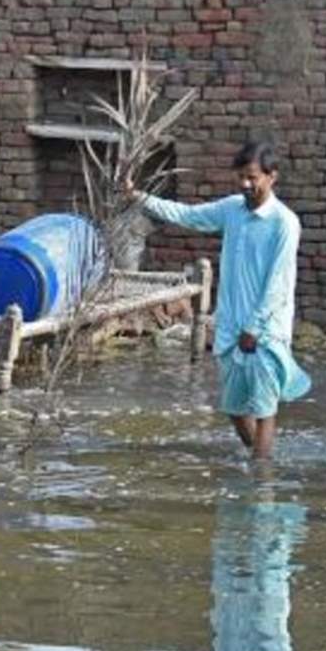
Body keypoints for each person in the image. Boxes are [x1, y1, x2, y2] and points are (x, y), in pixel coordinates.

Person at [130, 140, 311, 458]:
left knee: (264, 407)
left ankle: (261, 480)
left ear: (272, 177)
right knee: (234, 407)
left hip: (266, 331)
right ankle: (260, 467)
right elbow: (187, 215)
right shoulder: (232, 210)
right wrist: (138, 197)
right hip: (230, 326)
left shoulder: (284, 223)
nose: (245, 184)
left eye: (252, 177)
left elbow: (278, 284)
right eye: (240, 177)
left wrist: (255, 327)